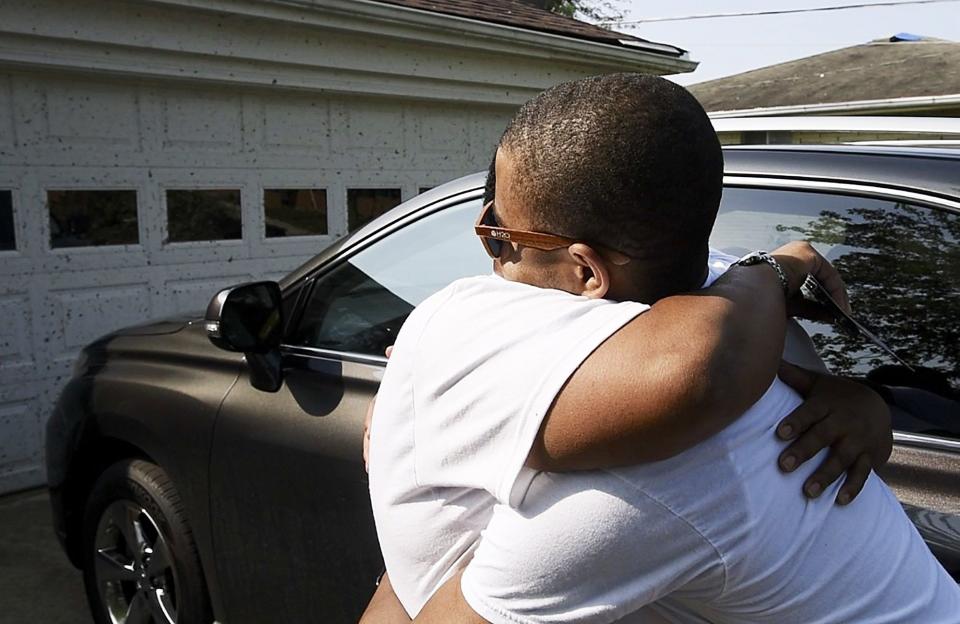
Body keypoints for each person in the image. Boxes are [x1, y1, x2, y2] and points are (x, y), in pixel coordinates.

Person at [365, 74, 960, 622]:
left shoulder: (646, 480)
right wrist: (779, 266)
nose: (489, 251)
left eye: (498, 235)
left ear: (586, 272)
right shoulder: (734, 297)